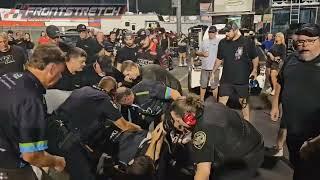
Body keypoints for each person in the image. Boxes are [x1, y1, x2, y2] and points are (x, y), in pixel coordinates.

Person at [52, 78, 140, 180]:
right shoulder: (103, 99)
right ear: (112, 91)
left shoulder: (84, 89)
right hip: (70, 141)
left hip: (55, 128)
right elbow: (124, 125)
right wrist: (139, 129)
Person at [0, 44, 66, 180]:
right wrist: (56, 161)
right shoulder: (32, 98)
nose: (60, 77)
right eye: (60, 72)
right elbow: (31, 155)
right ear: (52, 69)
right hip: (9, 166)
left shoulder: (8, 77)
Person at [168, 95, 264, 180]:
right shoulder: (209, 105)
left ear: (188, 118)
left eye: (177, 120)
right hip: (253, 141)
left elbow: (203, 172)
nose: (176, 124)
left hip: (244, 161)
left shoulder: (202, 131)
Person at [270, 23, 320, 180]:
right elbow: (279, 81)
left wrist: (315, 143)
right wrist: (274, 104)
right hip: (294, 134)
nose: (304, 45)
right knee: (299, 170)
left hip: (316, 139)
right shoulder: (291, 59)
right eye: (300, 41)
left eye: (310, 40)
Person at [211, 21, 259, 121]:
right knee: (221, 105)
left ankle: (247, 125)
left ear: (236, 30)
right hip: (226, 79)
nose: (226, 34)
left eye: (228, 32)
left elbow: (255, 57)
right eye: (225, 32)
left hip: (242, 80)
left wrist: (254, 70)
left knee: (244, 103)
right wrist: (213, 71)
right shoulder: (223, 43)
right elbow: (219, 59)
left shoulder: (247, 42)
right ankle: (221, 125)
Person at [115, 80, 181, 129]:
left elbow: (173, 93)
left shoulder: (146, 88)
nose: (124, 105)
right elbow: (138, 124)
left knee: (166, 122)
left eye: (123, 103)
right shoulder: (130, 106)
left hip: (168, 109)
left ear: (127, 98)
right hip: (155, 116)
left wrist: (182, 109)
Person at [196, 26, 220, 101]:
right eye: (210, 32)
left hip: (214, 69)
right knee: (203, 85)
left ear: (216, 33)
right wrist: (202, 53)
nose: (211, 33)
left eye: (213, 32)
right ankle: (201, 100)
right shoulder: (204, 41)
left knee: (214, 86)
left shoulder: (219, 42)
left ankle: (215, 101)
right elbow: (197, 52)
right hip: (204, 68)